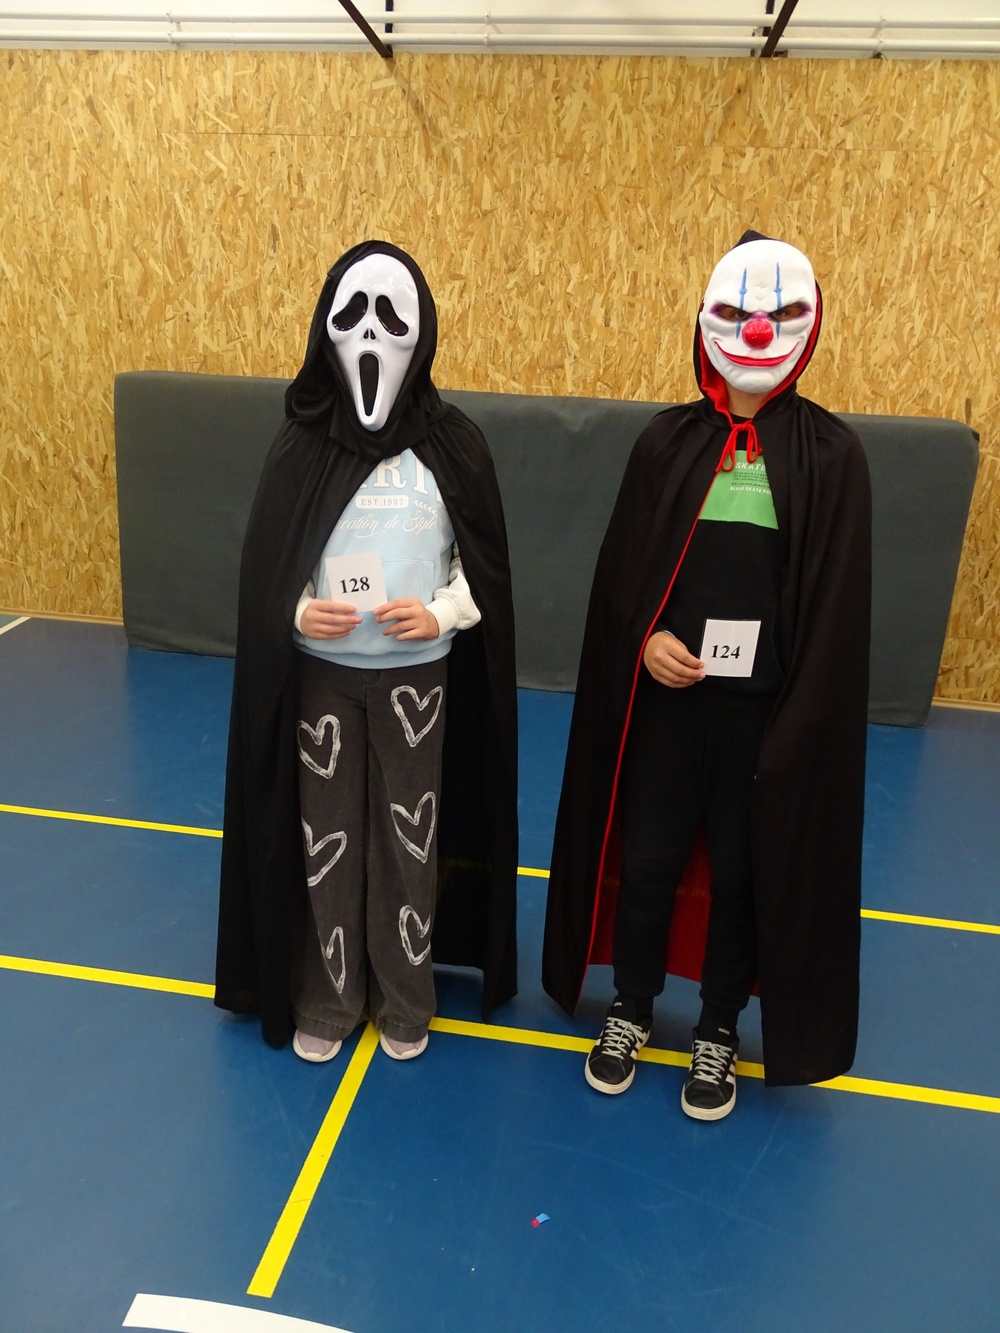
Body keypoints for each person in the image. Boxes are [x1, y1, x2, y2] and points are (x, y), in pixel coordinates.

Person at [542, 231, 871, 1118]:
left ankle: (719, 1025)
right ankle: (632, 1006)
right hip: (667, 707)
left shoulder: (831, 458)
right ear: (705, 322)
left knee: (740, 876)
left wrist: (792, 715)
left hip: (761, 720)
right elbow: (624, 582)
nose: (758, 331)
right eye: (737, 312)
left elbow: (834, 612)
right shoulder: (666, 443)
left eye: (779, 314)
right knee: (649, 861)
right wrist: (645, 641)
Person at [215, 240, 518, 1061]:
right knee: (329, 839)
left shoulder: (454, 447)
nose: (374, 332)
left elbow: (483, 570)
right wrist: (297, 611)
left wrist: (442, 612)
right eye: (355, 313)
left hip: (417, 681)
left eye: (393, 314)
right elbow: (270, 568)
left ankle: (407, 995)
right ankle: (329, 994)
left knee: (407, 841)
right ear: (327, 325)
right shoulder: (302, 444)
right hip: (325, 680)